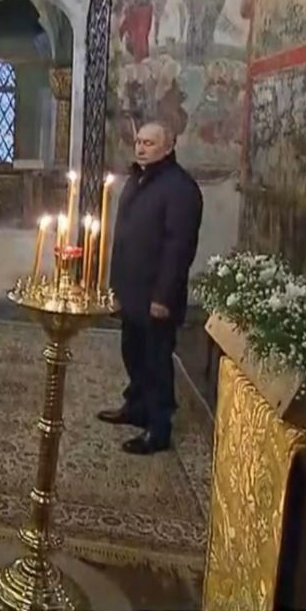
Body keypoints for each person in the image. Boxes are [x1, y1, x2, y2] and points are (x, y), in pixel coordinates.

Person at [101, 122, 203, 455]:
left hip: (157, 295)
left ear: (169, 147)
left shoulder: (180, 188)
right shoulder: (139, 179)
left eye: (149, 143)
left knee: (156, 359)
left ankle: (158, 429)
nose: (141, 148)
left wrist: (162, 297)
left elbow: (178, 249)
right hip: (132, 289)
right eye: (138, 142)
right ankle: (136, 407)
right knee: (132, 351)